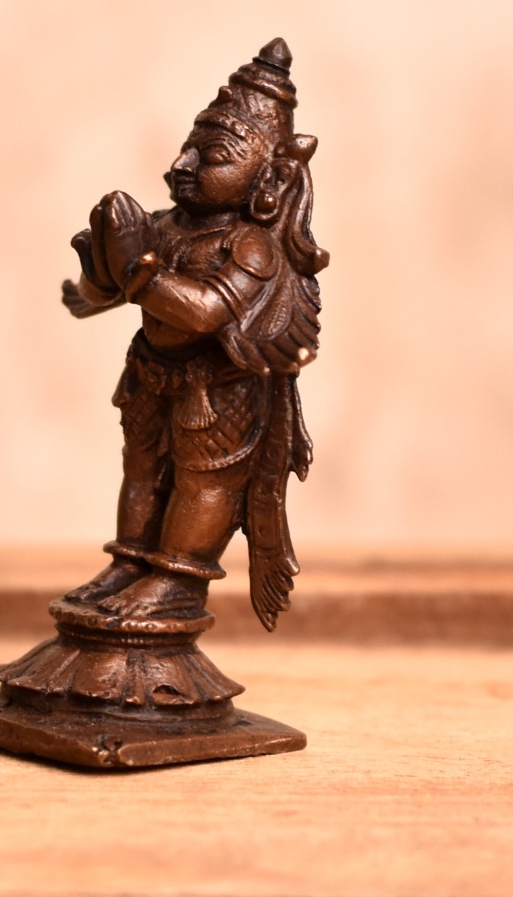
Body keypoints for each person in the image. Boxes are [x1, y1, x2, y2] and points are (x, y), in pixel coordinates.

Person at [61, 38, 329, 631]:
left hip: (219, 390)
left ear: (270, 177)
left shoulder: (250, 247)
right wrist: (99, 261)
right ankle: (130, 562)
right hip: (150, 372)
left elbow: (206, 312)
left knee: (201, 482)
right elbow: (99, 296)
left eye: (212, 157)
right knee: (141, 468)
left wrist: (137, 270)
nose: (182, 165)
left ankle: (177, 580)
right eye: (187, 149)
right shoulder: (166, 227)